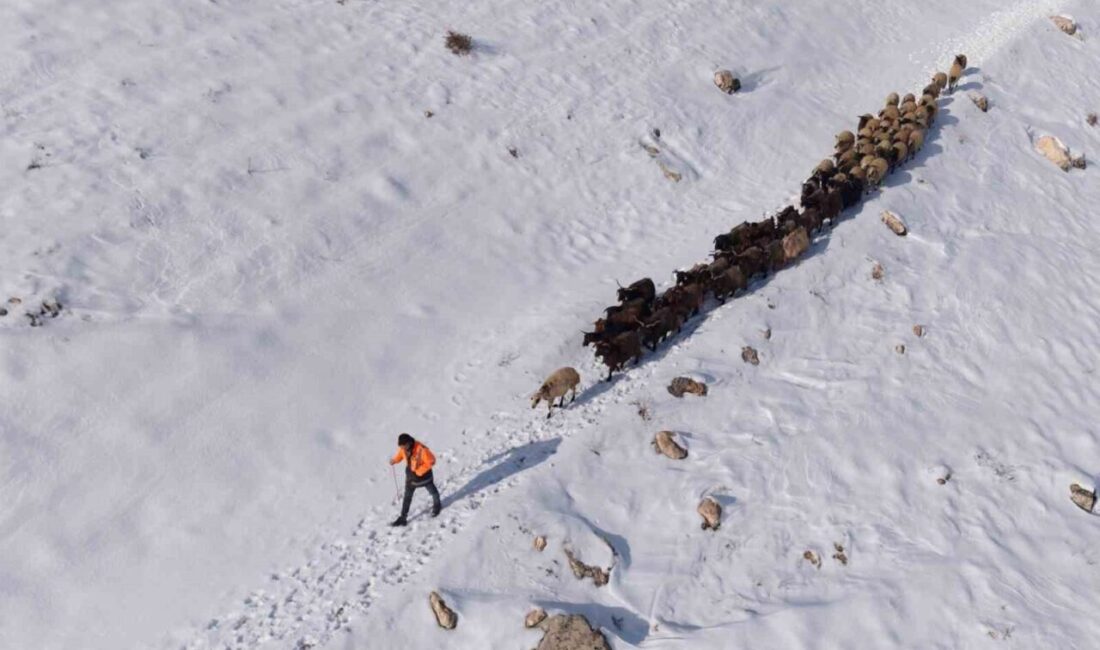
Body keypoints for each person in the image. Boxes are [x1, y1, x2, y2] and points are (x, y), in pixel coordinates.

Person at [389, 433, 442, 526]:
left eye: (403, 446)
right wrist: (395, 460)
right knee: (407, 498)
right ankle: (403, 518)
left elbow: (432, 461)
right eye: (401, 446)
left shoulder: (421, 449)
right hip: (411, 478)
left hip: (424, 477)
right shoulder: (403, 448)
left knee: (433, 492)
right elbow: (400, 455)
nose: (402, 448)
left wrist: (420, 471)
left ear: (409, 442)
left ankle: (437, 505)